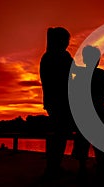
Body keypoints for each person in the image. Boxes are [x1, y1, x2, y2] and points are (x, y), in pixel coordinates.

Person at [40, 27, 75, 179]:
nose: (68, 43)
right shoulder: (61, 56)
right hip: (61, 100)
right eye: (66, 40)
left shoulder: (47, 56)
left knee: (59, 134)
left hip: (52, 101)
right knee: (60, 135)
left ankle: (53, 166)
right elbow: (73, 74)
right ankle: (53, 168)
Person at [71, 45, 104, 177]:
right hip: (98, 113)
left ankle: (83, 168)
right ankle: (101, 167)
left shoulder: (80, 74)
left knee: (83, 142)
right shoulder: (102, 75)